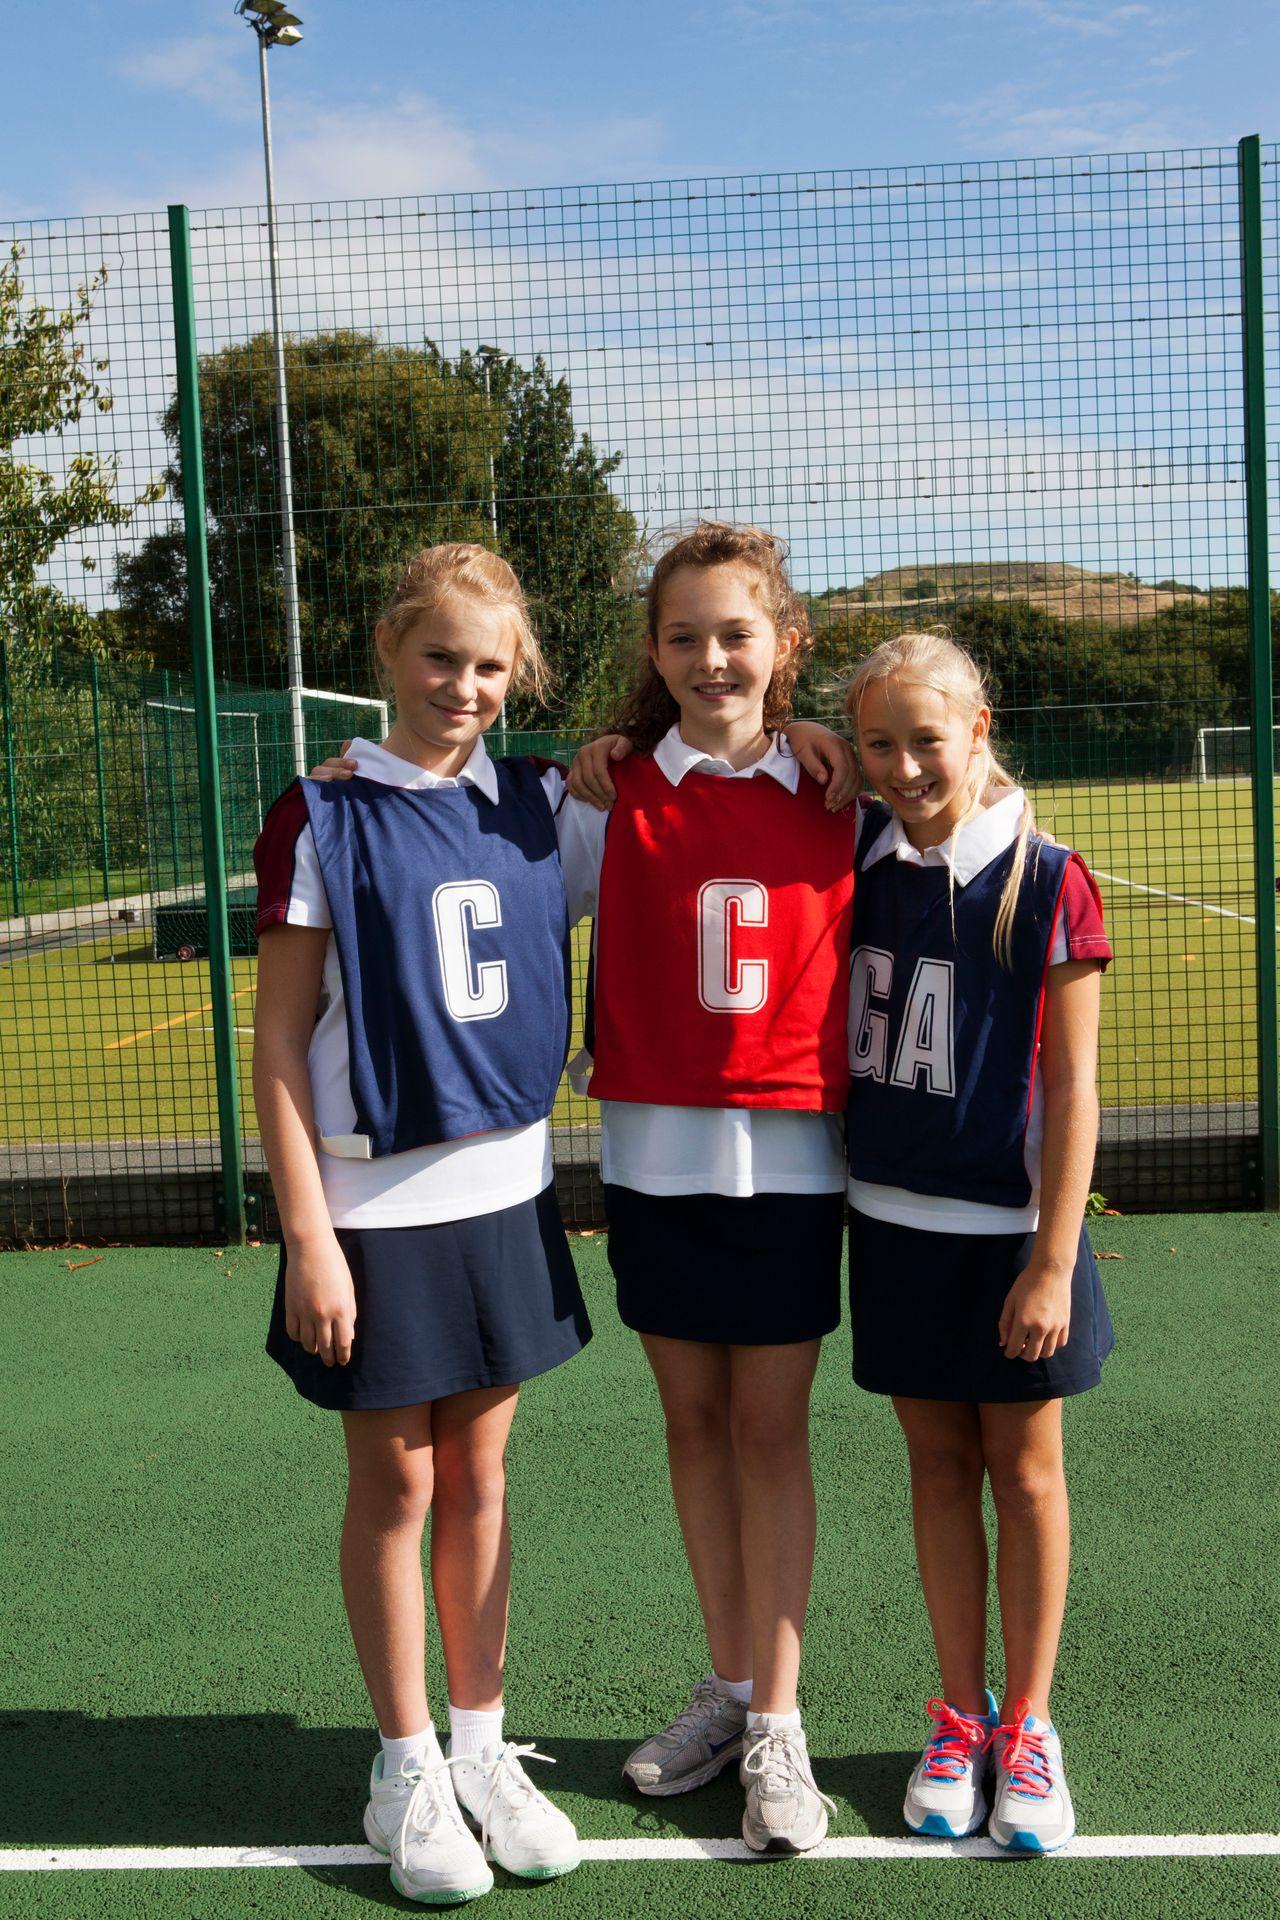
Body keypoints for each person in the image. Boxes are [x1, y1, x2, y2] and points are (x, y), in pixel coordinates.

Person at [252, 544, 590, 1907]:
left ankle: (482, 1748)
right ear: (389, 649)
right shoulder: (320, 814)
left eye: (492, 667)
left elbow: (696, 755)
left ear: (520, 681)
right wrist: (309, 1237)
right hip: (369, 1204)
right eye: (441, 657)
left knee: (486, 1482)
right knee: (396, 1486)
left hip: (505, 1191)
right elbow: (278, 1045)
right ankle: (403, 1766)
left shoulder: (546, 801)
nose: (464, 686)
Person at [562, 522, 858, 1855]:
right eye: (682, 635)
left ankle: (781, 1731)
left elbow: (957, 787)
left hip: (792, 1153)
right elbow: (487, 851)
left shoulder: (837, 792)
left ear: (783, 646)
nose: (708, 657)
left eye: (735, 633)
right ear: (652, 653)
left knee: (768, 1432)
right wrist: (347, 778)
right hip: (654, 1155)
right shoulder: (611, 791)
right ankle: (731, 1690)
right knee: (692, 1426)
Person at [842, 630, 1113, 1855]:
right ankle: (958, 1713)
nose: (901, 766)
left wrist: (1051, 1259)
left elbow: (1075, 1093)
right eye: (876, 743)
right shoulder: (858, 850)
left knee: (1026, 1474)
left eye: (924, 740)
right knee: (937, 1471)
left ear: (979, 729)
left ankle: (1032, 1727)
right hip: (894, 1228)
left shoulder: (1048, 876)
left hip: (1010, 1241)